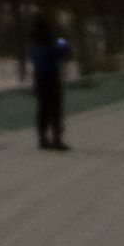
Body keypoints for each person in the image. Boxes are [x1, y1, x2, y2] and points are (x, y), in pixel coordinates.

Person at [28, 13, 72, 151]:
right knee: (55, 109)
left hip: (39, 79)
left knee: (43, 109)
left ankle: (42, 138)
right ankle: (56, 139)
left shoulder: (33, 44)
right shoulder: (51, 42)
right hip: (52, 78)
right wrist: (62, 39)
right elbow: (63, 50)